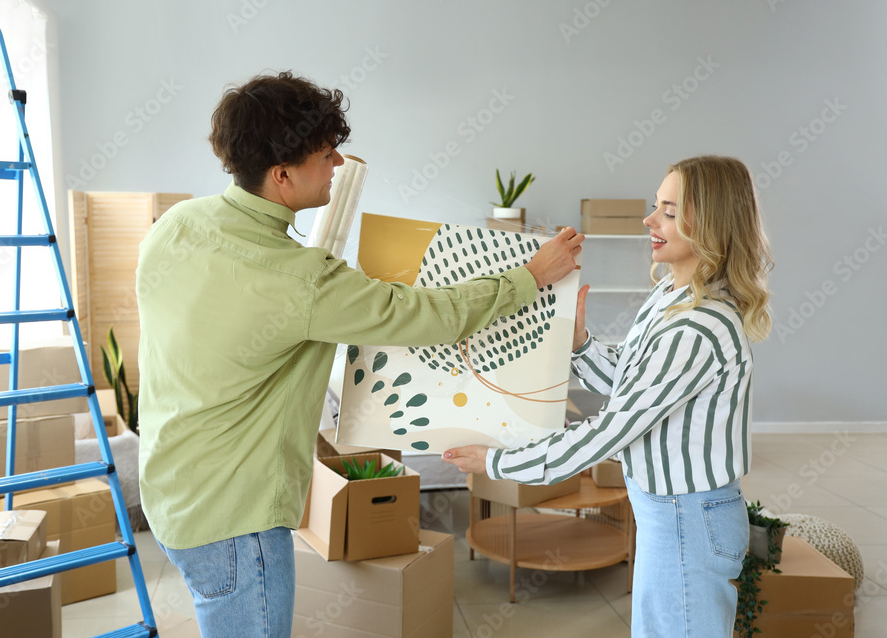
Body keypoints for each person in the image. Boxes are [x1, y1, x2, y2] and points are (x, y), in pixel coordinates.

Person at [134, 70, 584, 637]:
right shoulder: (300, 279)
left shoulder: (176, 226)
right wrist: (529, 276)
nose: (339, 164)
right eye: (325, 155)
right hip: (236, 521)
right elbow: (423, 315)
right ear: (282, 175)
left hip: (173, 494)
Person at [443, 155, 774, 638]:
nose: (649, 220)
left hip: (687, 518)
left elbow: (612, 428)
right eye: (655, 206)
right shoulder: (670, 296)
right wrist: (579, 343)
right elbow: (630, 382)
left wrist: (500, 463)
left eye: (668, 210)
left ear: (711, 224)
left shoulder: (698, 326)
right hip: (669, 512)